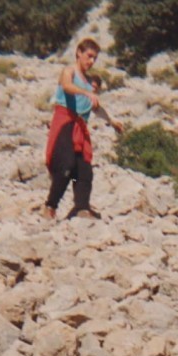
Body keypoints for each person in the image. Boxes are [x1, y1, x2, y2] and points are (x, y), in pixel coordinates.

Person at [41, 38, 122, 220]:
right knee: (66, 166)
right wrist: (86, 92)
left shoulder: (88, 82)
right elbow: (67, 86)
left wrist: (112, 120)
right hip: (65, 122)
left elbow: (96, 107)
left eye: (95, 58)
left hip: (80, 127)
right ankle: (50, 205)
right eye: (89, 56)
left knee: (84, 170)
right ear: (79, 53)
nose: (91, 61)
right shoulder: (70, 72)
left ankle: (82, 207)